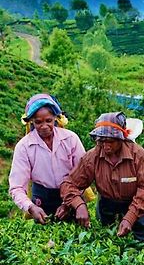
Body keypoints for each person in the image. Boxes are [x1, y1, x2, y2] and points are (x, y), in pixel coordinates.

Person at [60, 112, 144, 241]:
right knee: (107, 241)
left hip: (136, 206)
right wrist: (79, 204)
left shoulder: (137, 154)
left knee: (143, 242)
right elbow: (69, 184)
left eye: (111, 141)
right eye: (101, 141)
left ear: (121, 138)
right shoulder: (92, 157)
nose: (106, 146)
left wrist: (130, 217)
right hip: (107, 206)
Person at [9, 93, 86, 224]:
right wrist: (31, 207)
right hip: (41, 200)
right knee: (44, 240)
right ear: (32, 121)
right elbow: (16, 187)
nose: (44, 126)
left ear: (56, 118)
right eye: (38, 122)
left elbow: (83, 174)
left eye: (48, 121)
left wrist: (69, 203)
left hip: (72, 195)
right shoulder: (24, 147)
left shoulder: (70, 139)